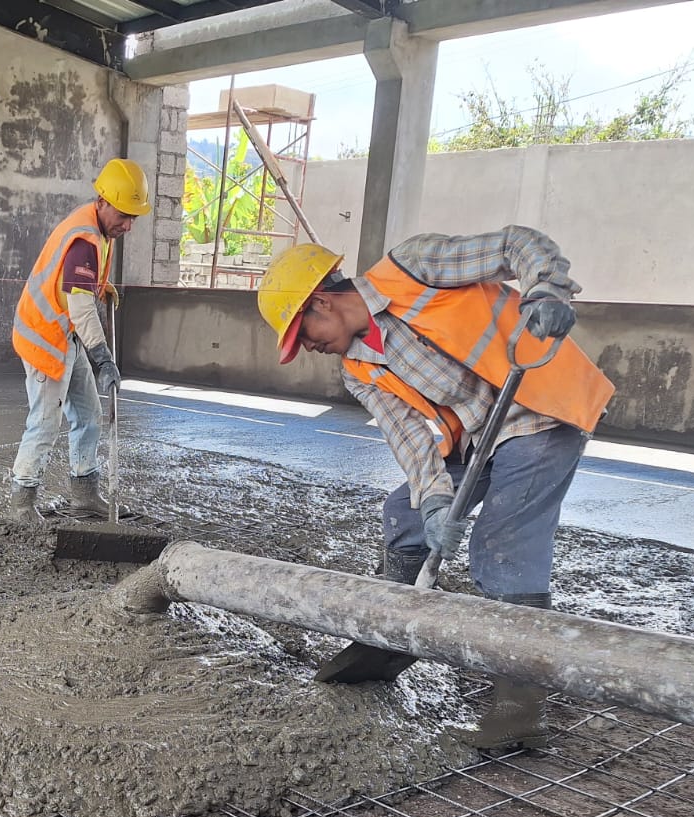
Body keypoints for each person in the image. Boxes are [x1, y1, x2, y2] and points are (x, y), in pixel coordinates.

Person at [256, 226, 614, 750]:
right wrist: (436, 501)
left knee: (502, 545)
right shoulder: (358, 367)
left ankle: (519, 707)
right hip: (478, 431)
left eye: (301, 334)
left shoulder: (413, 268)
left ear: (322, 304)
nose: (308, 348)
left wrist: (546, 291)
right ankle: (397, 628)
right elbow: (407, 437)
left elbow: (515, 244)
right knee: (404, 513)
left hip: (540, 410)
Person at [8, 158, 151, 522]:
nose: (128, 225)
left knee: (89, 414)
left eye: (134, 217)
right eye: (123, 214)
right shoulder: (84, 242)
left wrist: (100, 287)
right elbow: (81, 308)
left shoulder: (98, 227)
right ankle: (22, 504)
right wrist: (103, 358)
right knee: (45, 421)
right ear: (102, 201)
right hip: (45, 334)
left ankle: (84, 494)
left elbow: (78, 290)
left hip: (65, 332)